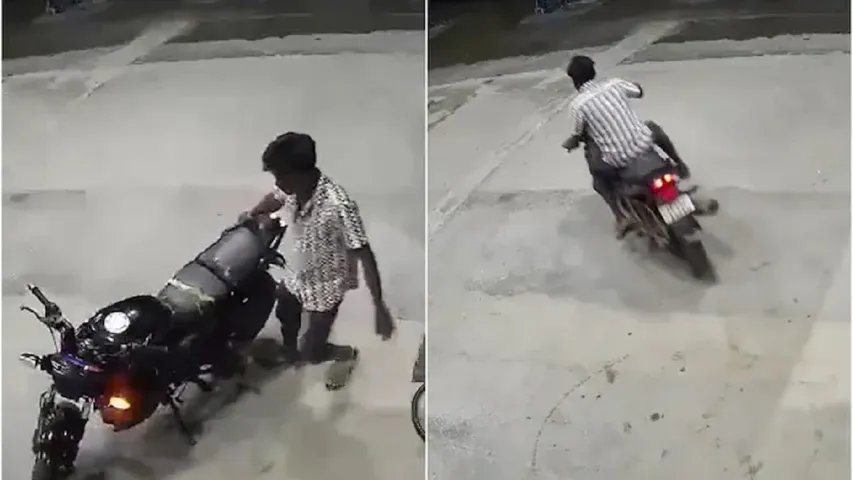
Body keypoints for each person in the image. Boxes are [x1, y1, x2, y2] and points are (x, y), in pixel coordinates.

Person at [241, 132, 395, 389]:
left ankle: (344, 355)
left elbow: (365, 255)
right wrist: (254, 213)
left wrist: (379, 306)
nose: (278, 182)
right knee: (285, 303)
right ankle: (290, 352)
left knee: (313, 350)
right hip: (300, 273)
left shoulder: (339, 205)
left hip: (327, 285)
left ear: (300, 173)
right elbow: (276, 196)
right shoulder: (292, 187)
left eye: (281, 176)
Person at [561, 55, 691, 237]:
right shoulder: (615, 84)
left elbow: (577, 134)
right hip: (645, 145)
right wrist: (635, 86)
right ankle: (680, 165)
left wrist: (572, 141)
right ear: (594, 72)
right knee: (653, 127)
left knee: (598, 179)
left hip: (620, 158)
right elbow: (639, 91)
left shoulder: (577, 106)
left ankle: (621, 216)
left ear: (575, 81)